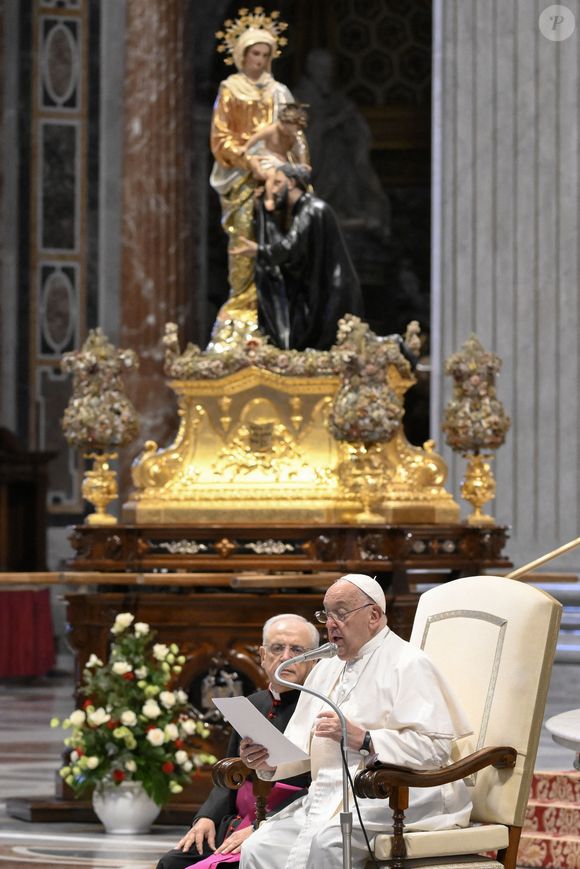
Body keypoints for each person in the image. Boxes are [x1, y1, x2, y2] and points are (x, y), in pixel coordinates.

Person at [238, 574, 473, 869]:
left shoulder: (408, 663)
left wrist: (365, 739)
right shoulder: (326, 668)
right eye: (326, 614)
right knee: (259, 846)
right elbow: (301, 744)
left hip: (393, 796)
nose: (330, 624)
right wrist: (267, 760)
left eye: (341, 613)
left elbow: (435, 749)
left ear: (373, 615)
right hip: (328, 794)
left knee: (328, 843)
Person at [155, 614, 319, 869]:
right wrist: (207, 818)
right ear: (263, 656)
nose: (286, 656)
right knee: (171, 863)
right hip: (236, 822)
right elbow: (232, 771)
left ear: (314, 660)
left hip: (283, 825)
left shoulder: (319, 709)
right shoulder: (253, 704)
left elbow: (316, 787)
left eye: (297, 650)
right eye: (277, 648)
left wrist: (261, 827)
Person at [207, 10, 304, 352]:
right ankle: (242, 304)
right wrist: (250, 162)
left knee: (279, 240)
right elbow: (220, 139)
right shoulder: (230, 90)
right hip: (242, 180)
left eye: (265, 55)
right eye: (254, 55)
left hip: (278, 179)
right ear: (241, 56)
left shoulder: (280, 92)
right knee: (244, 236)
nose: (260, 62)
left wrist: (298, 169)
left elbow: (296, 136)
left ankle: (272, 308)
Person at [231, 164, 364, 351]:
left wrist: (259, 250)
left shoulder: (311, 209)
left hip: (331, 295)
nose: (274, 190)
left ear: (291, 183)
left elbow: (291, 248)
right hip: (326, 290)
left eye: (277, 183)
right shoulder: (306, 210)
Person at [241, 103, 310, 212]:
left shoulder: (296, 135)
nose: (286, 131)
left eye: (291, 130)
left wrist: (303, 164)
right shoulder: (272, 129)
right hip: (268, 158)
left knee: (293, 175)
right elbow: (256, 138)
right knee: (271, 174)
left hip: (282, 161)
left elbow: (301, 149)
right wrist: (245, 147)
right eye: (284, 126)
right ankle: (269, 198)